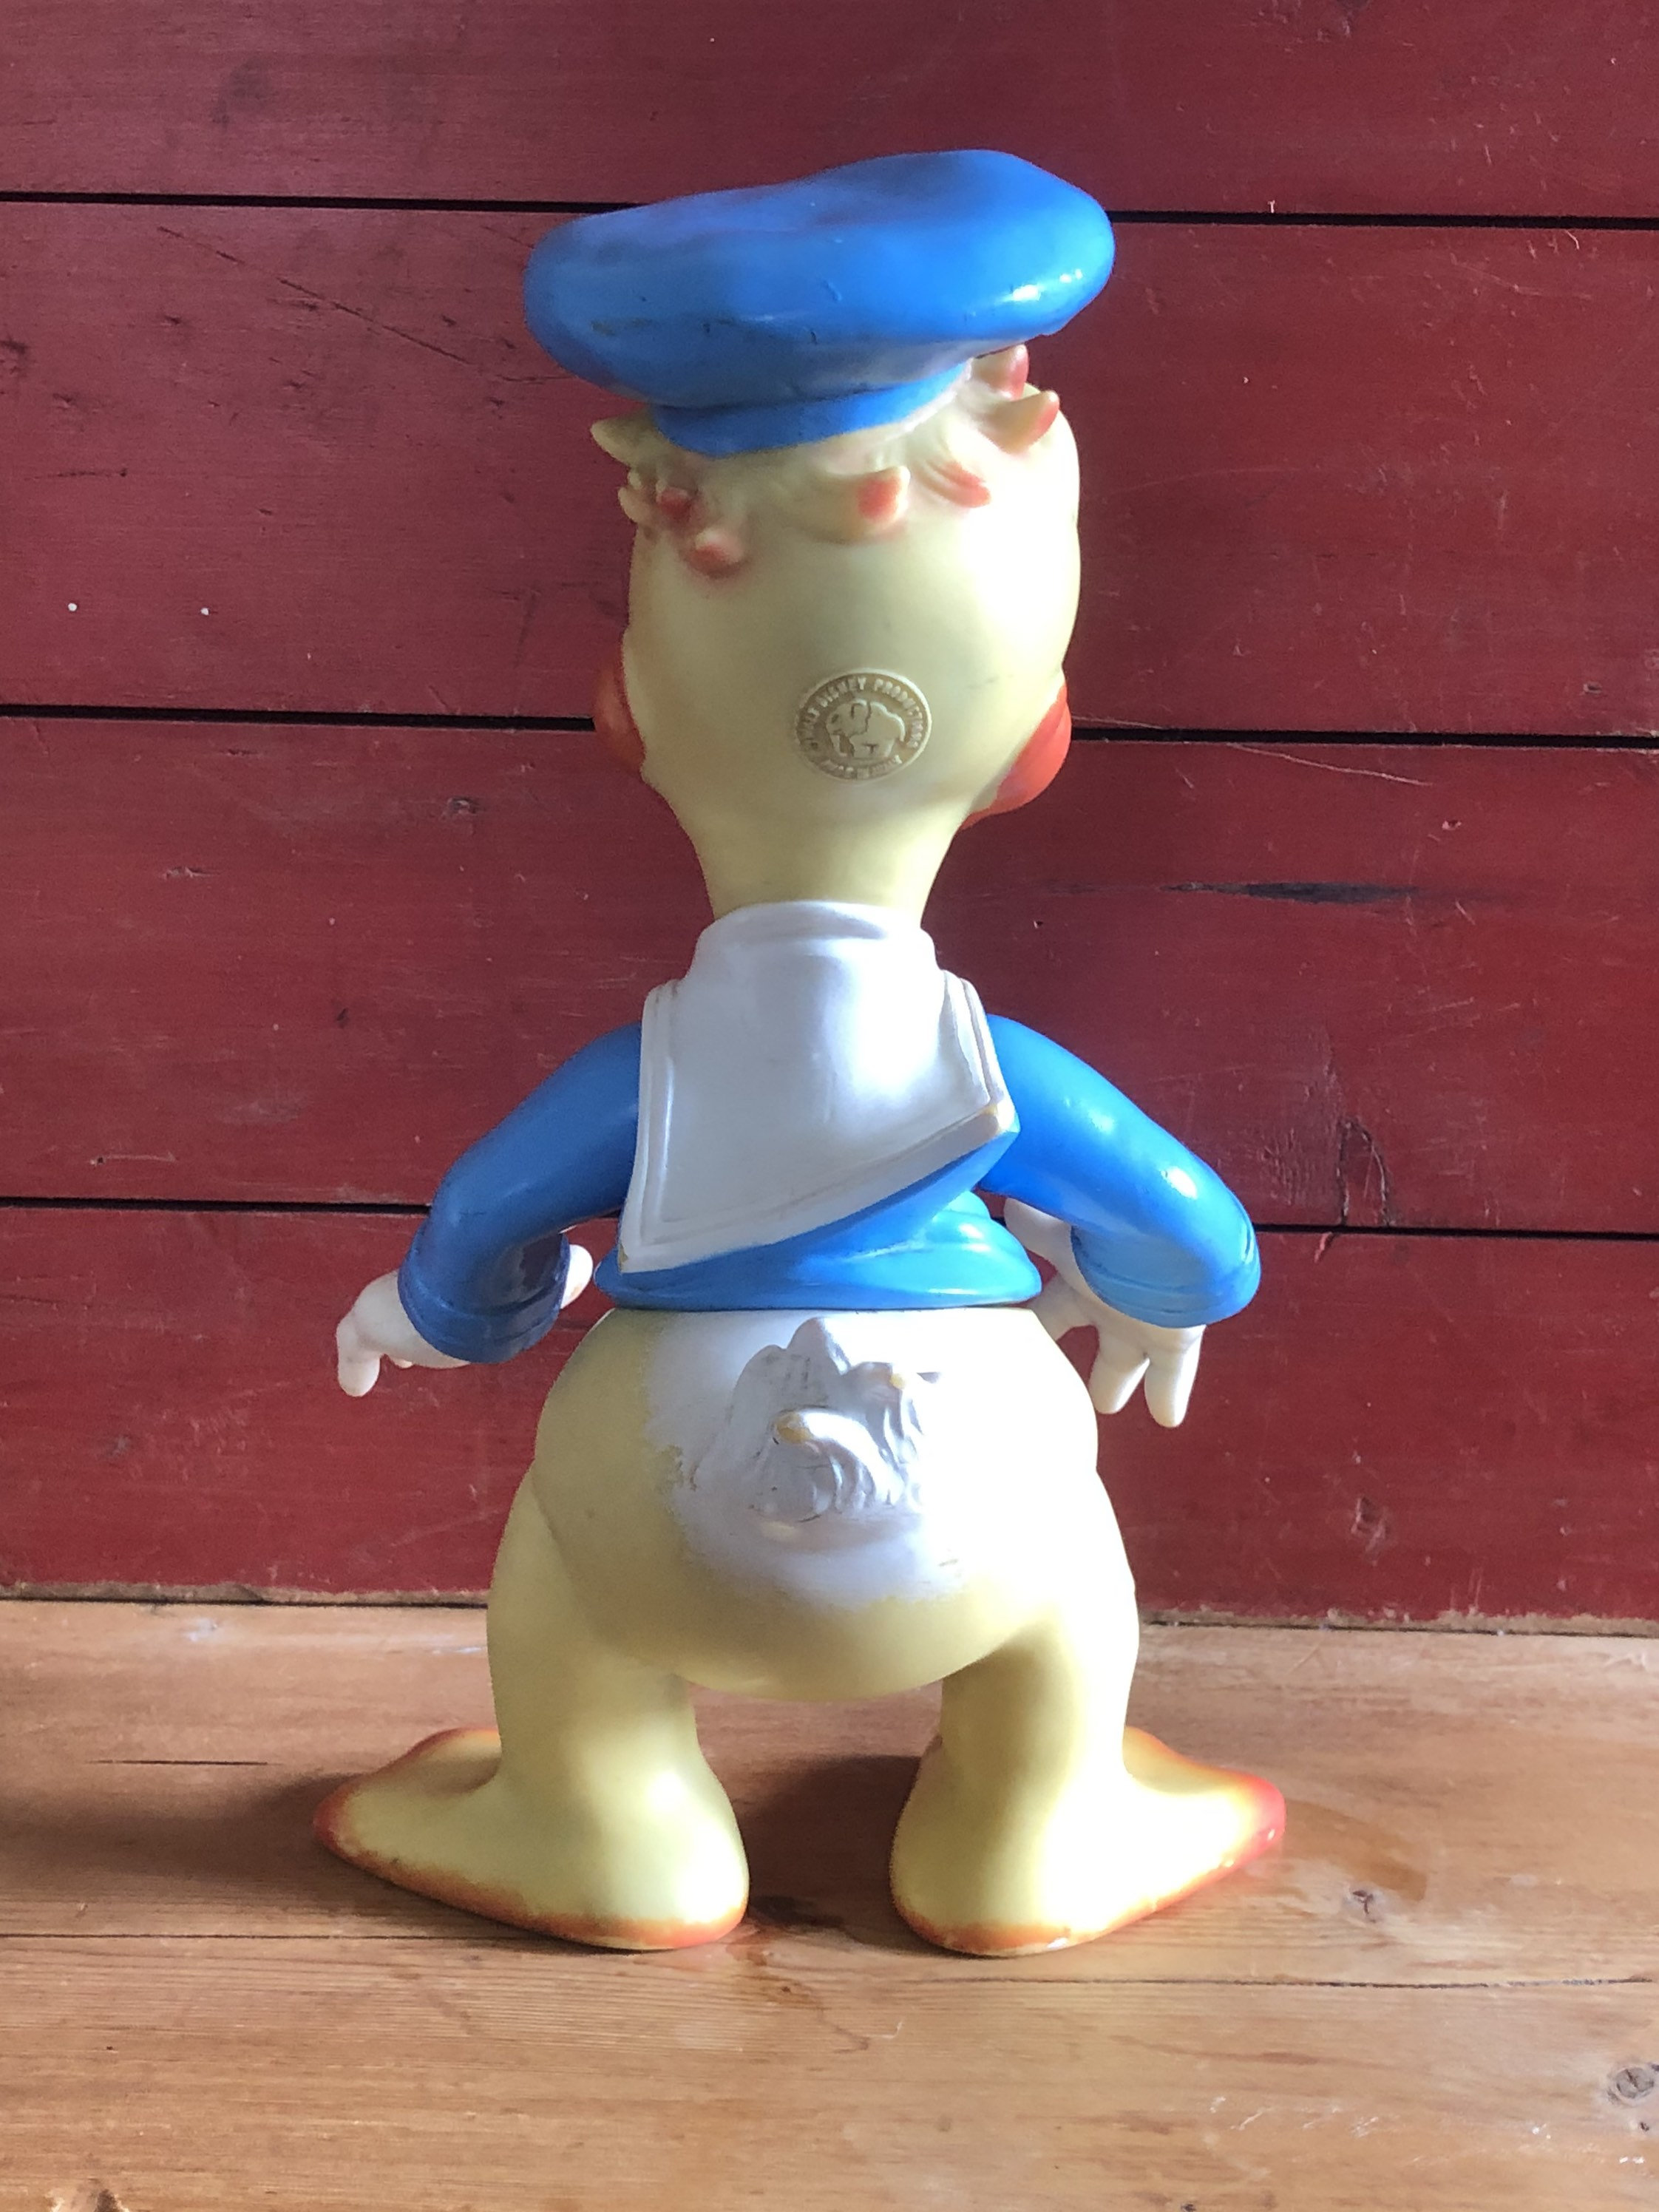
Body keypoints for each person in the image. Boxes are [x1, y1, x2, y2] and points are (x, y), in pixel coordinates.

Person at [321, 152, 1281, 1955]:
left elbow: (485, 1222)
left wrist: (445, 1310)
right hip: (973, 1492)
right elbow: (1191, 1222)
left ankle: (600, 1816)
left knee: (567, 1579)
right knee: (1064, 1570)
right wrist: (1156, 1297)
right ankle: (1028, 1820)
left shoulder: (649, 1071)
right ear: (1036, 744)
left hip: (661, 1502)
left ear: (628, 714)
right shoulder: (992, 1065)